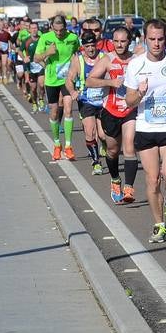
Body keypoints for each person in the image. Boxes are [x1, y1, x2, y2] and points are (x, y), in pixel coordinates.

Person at [123, 19, 166, 244]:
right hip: (146, 127)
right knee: (152, 180)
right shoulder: (136, 65)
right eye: (152, 39)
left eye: (160, 39)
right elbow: (129, 101)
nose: (156, 43)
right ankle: (159, 225)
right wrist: (140, 93)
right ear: (145, 39)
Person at [86, 25, 139, 204]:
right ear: (111, 42)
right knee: (112, 150)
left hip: (130, 110)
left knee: (129, 146)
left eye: (123, 41)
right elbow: (89, 81)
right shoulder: (107, 59)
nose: (119, 44)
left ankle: (129, 188)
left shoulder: (137, 60)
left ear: (129, 42)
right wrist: (110, 82)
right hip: (110, 110)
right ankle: (116, 179)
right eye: (116, 41)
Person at [35, 14, 81, 161]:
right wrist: (47, 53)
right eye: (56, 31)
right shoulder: (45, 38)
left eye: (62, 30)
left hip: (67, 80)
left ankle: (68, 146)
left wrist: (77, 69)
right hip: (51, 80)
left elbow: (78, 53)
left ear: (65, 28)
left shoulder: (73, 38)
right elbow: (36, 58)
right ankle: (56, 144)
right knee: (54, 113)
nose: (59, 33)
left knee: (68, 109)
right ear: (52, 28)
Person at [67, 32, 110, 176]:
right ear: (82, 46)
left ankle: (103, 144)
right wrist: (73, 91)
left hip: (104, 100)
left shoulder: (105, 57)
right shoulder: (78, 60)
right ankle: (96, 162)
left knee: (103, 135)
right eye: (87, 46)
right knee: (90, 131)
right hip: (86, 100)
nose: (91, 49)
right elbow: (69, 79)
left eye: (93, 45)